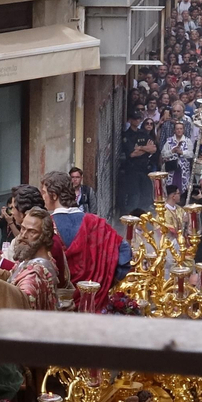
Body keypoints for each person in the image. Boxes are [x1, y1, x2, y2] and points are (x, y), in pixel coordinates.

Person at [39, 172, 130, 307]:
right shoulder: (96, 223)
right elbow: (124, 254)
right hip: (97, 302)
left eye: (44, 192)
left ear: (54, 195)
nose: (43, 197)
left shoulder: (45, 227)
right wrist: (107, 282)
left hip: (62, 305)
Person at [118, 113, 158, 215]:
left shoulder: (143, 133)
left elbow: (153, 149)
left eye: (138, 119)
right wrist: (146, 149)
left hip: (145, 169)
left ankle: (144, 216)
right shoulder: (127, 135)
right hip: (132, 169)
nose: (137, 121)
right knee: (134, 195)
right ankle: (132, 217)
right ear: (130, 120)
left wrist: (140, 148)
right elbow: (132, 154)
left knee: (146, 193)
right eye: (135, 119)